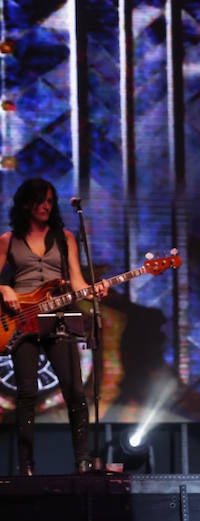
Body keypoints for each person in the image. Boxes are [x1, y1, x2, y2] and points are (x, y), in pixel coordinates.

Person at [0, 177, 109, 475]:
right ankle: (26, 466)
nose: (46, 206)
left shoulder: (65, 238)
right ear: (26, 204)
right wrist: (4, 289)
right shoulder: (8, 240)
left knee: (74, 389)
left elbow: (76, 280)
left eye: (50, 201)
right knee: (26, 392)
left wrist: (93, 289)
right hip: (21, 320)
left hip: (58, 318)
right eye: (40, 201)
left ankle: (82, 461)